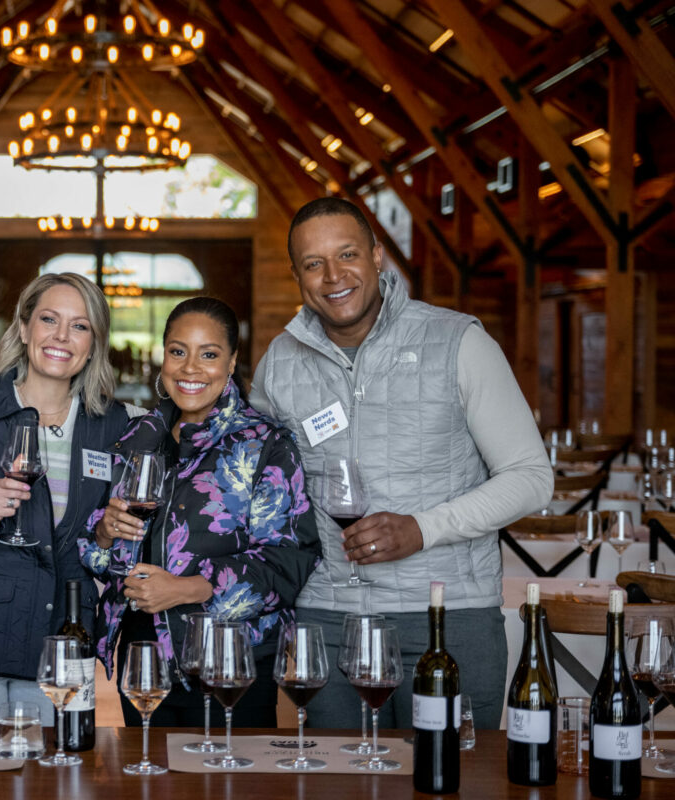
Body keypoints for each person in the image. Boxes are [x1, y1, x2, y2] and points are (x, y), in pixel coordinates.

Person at [250, 197, 553, 730]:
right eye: (313, 263)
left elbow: (531, 479)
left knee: (448, 781)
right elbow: (255, 487)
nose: (333, 276)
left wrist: (423, 528)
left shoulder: (459, 341)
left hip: (446, 616)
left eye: (347, 254)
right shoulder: (280, 362)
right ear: (296, 274)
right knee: (337, 787)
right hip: (326, 618)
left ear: (376, 255)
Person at [80, 297, 321, 727]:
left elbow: (288, 563)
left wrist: (189, 588)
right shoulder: (137, 437)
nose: (190, 368)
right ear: (163, 357)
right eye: (178, 351)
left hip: (229, 663)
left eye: (208, 354)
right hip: (142, 658)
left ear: (231, 363)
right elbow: (100, 558)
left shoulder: (265, 444)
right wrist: (102, 533)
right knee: (147, 782)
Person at [0, 272, 131, 725]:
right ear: (23, 328)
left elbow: (112, 540)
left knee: (63, 775)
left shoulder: (112, 425)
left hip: (66, 638)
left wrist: (107, 535)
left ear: (94, 343)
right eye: (48, 319)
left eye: (79, 326)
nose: (61, 336)